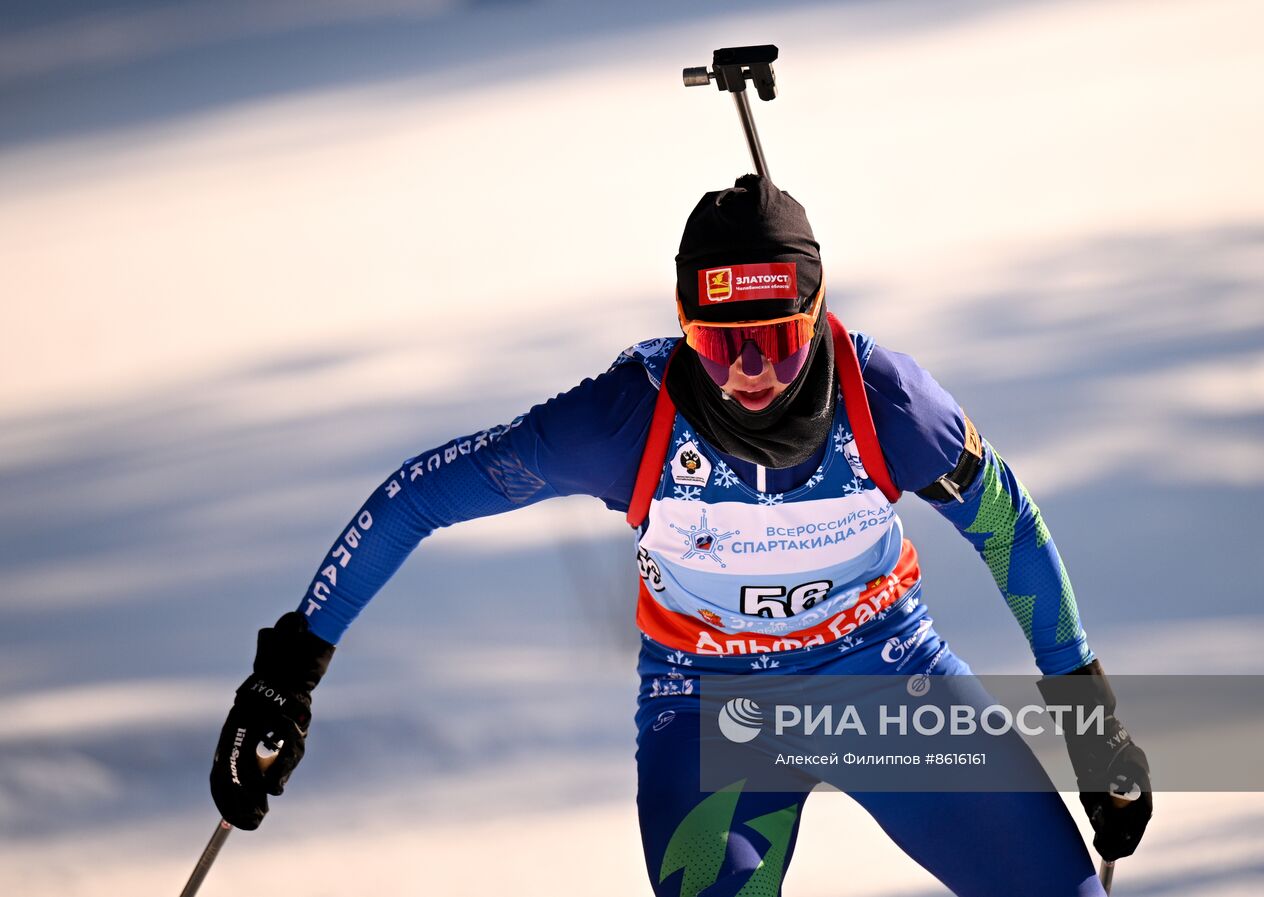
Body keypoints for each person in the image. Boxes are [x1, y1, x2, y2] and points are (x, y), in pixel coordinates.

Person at [209, 175, 1152, 896]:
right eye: (718, 342)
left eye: (775, 342)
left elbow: (1010, 533)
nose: (748, 374)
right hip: (709, 710)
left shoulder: (892, 407)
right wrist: (288, 669)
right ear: (682, 322)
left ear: (816, 313)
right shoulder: (623, 423)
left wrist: (1090, 714)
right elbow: (419, 497)